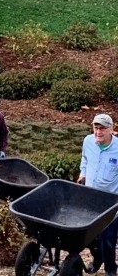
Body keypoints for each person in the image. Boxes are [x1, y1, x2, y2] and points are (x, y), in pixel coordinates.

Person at [77, 114, 118, 276]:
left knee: (108, 238)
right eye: (96, 128)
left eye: (102, 128)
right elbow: (85, 160)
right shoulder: (88, 141)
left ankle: (110, 270)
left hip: (111, 202)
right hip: (90, 199)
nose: (98, 132)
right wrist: (83, 173)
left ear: (112, 130)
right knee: (90, 237)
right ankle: (97, 259)